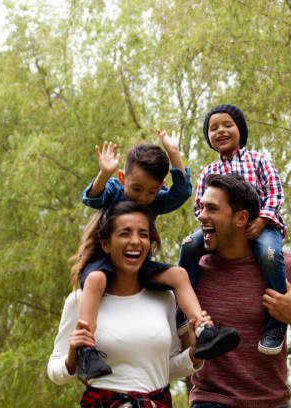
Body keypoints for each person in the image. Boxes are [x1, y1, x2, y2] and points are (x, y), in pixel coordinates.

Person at [77, 131, 239, 381]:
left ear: (160, 187)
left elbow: (182, 192)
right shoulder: (115, 188)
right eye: (137, 189)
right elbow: (92, 199)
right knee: (96, 280)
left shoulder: (155, 201)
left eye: (151, 192)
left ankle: (203, 329)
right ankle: (86, 351)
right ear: (123, 178)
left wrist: (174, 153)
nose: (142, 199)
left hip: (138, 264)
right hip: (102, 262)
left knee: (179, 274)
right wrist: (104, 173)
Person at [189, 173, 291, 408]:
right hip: (211, 401)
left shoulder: (289, 269)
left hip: (272, 403)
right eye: (202, 207)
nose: (201, 216)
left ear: (241, 218)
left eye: (212, 209)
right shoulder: (194, 272)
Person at [48, 200, 208, 407]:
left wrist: (195, 354)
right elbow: (55, 372)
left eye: (143, 234)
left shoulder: (165, 298)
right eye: (125, 233)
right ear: (106, 244)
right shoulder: (80, 301)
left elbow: (166, 368)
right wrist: (72, 357)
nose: (135, 241)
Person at [179, 104, 289, 355]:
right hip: (222, 229)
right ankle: (184, 309)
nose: (221, 131)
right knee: (188, 245)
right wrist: (210, 223)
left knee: (269, 255)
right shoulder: (209, 171)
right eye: (213, 128)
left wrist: (261, 220)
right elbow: (199, 208)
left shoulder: (258, 161)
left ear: (241, 130)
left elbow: (275, 194)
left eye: (227, 125)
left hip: (262, 226)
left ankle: (276, 322)